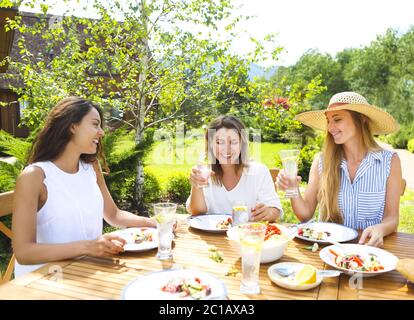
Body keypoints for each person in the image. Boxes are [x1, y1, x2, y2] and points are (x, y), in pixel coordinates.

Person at [12, 96, 156, 277]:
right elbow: (24, 252)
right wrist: (88, 247)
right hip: (45, 281)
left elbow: (114, 215)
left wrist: (154, 223)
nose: (101, 132)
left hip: (86, 272)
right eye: (95, 124)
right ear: (72, 126)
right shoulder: (34, 176)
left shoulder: (91, 168)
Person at [276, 92, 402, 247]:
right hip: (328, 250)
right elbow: (305, 215)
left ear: (361, 119)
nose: (330, 127)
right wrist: (292, 189)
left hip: (369, 250)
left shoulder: (390, 161)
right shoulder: (321, 161)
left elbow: (392, 218)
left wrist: (380, 229)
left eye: (337, 119)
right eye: (328, 121)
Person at [186, 115, 283, 222]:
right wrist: (196, 186)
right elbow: (197, 212)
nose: (226, 149)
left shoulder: (259, 171)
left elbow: (276, 211)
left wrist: (268, 212)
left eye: (233, 142)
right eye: (219, 142)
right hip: (213, 237)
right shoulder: (204, 173)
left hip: (246, 236)